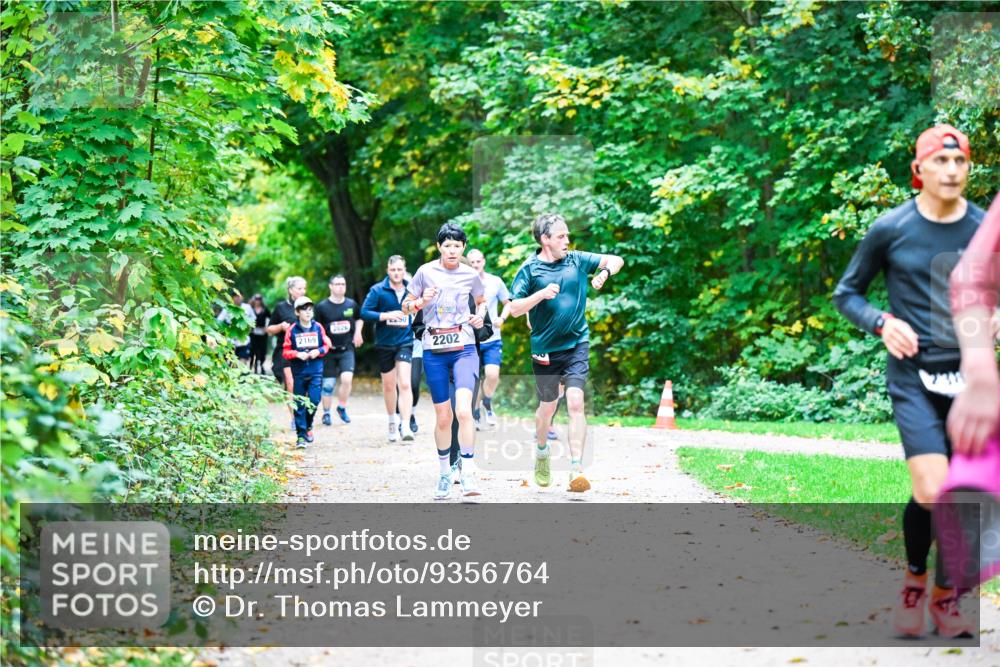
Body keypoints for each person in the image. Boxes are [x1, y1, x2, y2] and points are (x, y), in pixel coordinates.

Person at [832, 125, 984, 638]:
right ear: (919, 171)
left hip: (972, 381)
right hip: (914, 378)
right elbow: (847, 293)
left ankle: (944, 599)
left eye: (959, 163)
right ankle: (915, 583)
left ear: (968, 169)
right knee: (931, 488)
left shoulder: (985, 232)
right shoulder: (890, 228)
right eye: (940, 163)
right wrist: (882, 322)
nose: (951, 171)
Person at [508, 213, 624, 493]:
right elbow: (514, 309)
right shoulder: (530, 269)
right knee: (548, 407)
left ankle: (575, 469)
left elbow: (616, 259)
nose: (567, 240)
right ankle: (542, 451)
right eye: (561, 236)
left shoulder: (576, 259)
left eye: (567, 235)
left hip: (576, 344)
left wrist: (604, 273)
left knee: (575, 402)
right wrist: (540, 295)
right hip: (545, 350)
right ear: (545, 239)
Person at [402, 223, 487, 500]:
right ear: (439, 247)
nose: (452, 250)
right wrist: (419, 303)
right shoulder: (425, 272)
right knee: (443, 417)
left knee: (464, 411)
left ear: (463, 248)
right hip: (434, 351)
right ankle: (444, 474)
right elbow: (405, 305)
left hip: (464, 350)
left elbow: (482, 300)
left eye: (457, 245)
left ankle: (469, 472)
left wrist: (479, 316)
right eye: (447, 245)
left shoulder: (470, 274)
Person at [361, 256, 415, 443]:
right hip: (384, 343)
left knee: (405, 383)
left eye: (400, 269)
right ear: (387, 270)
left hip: (405, 341)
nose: (397, 273)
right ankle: (392, 420)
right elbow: (364, 312)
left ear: (404, 269)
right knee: (389, 386)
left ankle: (406, 425)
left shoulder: (412, 288)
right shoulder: (377, 290)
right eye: (393, 270)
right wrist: (385, 315)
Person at [467, 249, 513, 429]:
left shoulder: (495, 281)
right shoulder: (463, 283)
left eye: (478, 261)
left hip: (492, 338)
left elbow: (508, 302)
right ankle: (476, 410)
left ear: (484, 261)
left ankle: (486, 401)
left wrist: (501, 318)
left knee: (492, 375)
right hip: (471, 340)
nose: (476, 265)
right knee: (474, 380)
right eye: (472, 262)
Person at [282, 296, 332, 449]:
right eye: (305, 310)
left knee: (315, 400)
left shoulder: (318, 327)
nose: (308, 313)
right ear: (297, 312)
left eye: (310, 309)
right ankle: (301, 436)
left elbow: (326, 345)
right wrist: (297, 354)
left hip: (316, 370)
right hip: (299, 372)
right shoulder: (292, 330)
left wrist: (319, 351)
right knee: (299, 403)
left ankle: (308, 425)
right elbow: (286, 351)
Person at [314, 275, 364, 425]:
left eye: (343, 284)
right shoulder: (322, 307)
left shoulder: (351, 304)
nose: (340, 287)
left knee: (347, 379)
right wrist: (324, 339)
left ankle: (341, 407)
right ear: (330, 286)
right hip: (329, 350)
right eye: (337, 284)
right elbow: (316, 327)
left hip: (346, 348)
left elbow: (359, 318)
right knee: (328, 384)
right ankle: (326, 413)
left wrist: (358, 332)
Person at [267, 277, 306, 430]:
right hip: (285, 352)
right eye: (299, 289)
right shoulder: (281, 308)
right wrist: (280, 327)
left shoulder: (307, 306)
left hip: (304, 352)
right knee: (290, 385)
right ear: (290, 290)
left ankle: (303, 414)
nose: (303, 291)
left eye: (304, 288)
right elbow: (269, 329)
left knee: (304, 387)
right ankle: (294, 419)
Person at [217, 290, 255, 367]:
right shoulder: (228, 308)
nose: (238, 298)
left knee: (242, 362)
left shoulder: (247, 307)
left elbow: (253, 320)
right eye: (236, 296)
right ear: (232, 298)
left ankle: (240, 375)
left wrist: (248, 329)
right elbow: (219, 321)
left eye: (239, 296)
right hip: (230, 340)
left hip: (243, 340)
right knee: (231, 363)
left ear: (242, 297)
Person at [249, 294, 270, 375]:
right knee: (252, 350)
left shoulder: (265, 310)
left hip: (263, 334)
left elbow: (271, 319)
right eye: (256, 299)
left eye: (259, 299)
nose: (258, 301)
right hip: (253, 334)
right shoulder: (251, 309)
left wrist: (267, 328)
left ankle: (261, 366)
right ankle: (252, 367)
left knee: (262, 351)